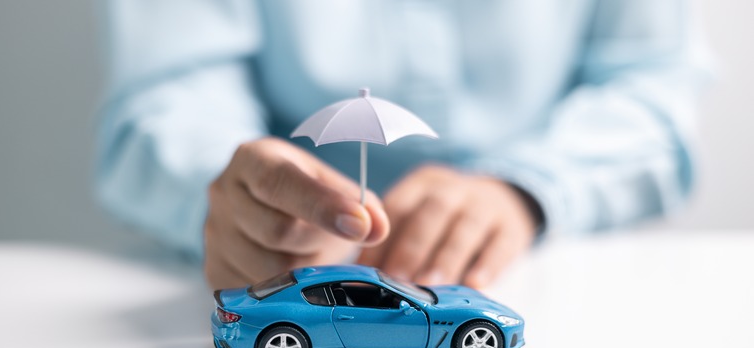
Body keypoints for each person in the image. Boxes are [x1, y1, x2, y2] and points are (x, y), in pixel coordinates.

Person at [97, 1, 710, 290]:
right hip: (293, 281)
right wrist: (235, 200)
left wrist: (522, 190)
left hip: (565, 277)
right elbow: (167, 101)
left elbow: (655, 86)